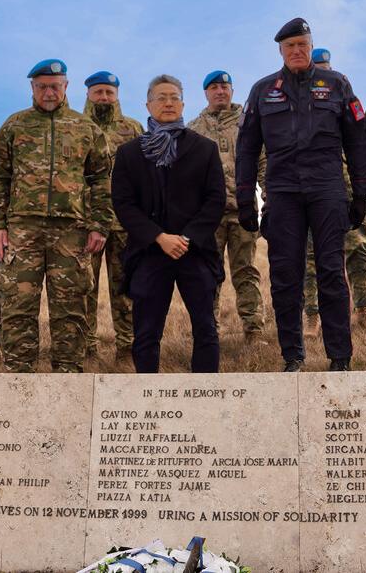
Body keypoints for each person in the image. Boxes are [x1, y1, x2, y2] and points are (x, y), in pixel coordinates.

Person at [235, 18, 366, 372]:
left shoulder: (337, 84)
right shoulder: (263, 90)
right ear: (280, 50)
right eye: (290, 46)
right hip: (282, 191)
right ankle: (292, 355)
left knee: (330, 271)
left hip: (327, 188)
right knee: (285, 274)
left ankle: (340, 356)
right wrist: (245, 198)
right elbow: (247, 148)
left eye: (303, 45)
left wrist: (361, 193)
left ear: (311, 47)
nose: (297, 51)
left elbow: (357, 142)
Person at [0, 59, 112, 373]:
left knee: (71, 307)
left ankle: (68, 373)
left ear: (66, 87)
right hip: (22, 229)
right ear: (32, 87)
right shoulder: (14, 126)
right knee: (17, 305)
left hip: (72, 232)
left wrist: (99, 225)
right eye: (42, 86)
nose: (48, 92)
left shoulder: (86, 129)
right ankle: (19, 373)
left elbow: (100, 180)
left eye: (55, 86)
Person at [112, 75, 226, 372]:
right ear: (148, 105)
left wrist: (186, 238)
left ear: (184, 104)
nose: (168, 103)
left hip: (195, 251)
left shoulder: (205, 149)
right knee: (147, 333)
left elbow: (215, 200)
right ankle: (148, 398)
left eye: (174, 97)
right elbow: (124, 205)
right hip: (149, 252)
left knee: (205, 329)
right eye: (161, 97)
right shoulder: (129, 153)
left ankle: (205, 396)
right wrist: (159, 237)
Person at [301, 47, 366, 334]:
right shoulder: (301, 104)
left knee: (358, 249)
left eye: (326, 67)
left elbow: (363, 142)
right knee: (310, 256)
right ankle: (312, 315)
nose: (323, 73)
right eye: (317, 68)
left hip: (347, 188)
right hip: (315, 190)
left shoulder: (345, 97)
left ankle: (363, 310)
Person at [187, 70, 267, 347]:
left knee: (246, 271)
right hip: (206, 218)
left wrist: (270, 200)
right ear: (205, 93)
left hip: (242, 212)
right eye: (213, 88)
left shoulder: (249, 123)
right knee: (207, 274)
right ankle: (208, 332)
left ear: (232, 91)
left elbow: (263, 163)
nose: (219, 91)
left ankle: (254, 331)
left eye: (224, 86)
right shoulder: (193, 128)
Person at [81, 70, 142, 359]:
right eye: (98, 92)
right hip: (84, 222)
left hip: (124, 223)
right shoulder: (76, 127)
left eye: (109, 92)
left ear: (117, 96)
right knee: (83, 289)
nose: (103, 97)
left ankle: (128, 348)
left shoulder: (133, 129)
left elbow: (148, 174)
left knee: (125, 289)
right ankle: (86, 347)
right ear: (88, 95)